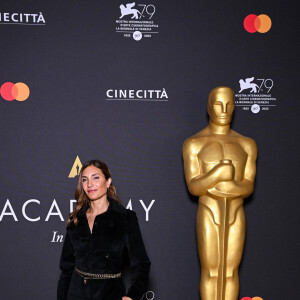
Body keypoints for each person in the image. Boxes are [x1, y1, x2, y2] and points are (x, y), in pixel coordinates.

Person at [182, 87, 257, 300]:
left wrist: (225, 185)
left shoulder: (247, 144)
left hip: (236, 212)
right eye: (217, 104)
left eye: (229, 104)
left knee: (231, 271)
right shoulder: (194, 144)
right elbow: (194, 187)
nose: (224, 109)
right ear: (208, 107)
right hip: (208, 211)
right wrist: (218, 173)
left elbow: (248, 187)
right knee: (212, 271)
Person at [57, 160, 151, 300]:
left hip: (110, 294)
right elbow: (66, 269)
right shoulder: (76, 219)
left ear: (108, 182)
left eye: (96, 177)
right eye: (85, 179)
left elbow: (141, 264)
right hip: (75, 294)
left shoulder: (125, 218)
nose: (90, 184)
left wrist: (132, 295)